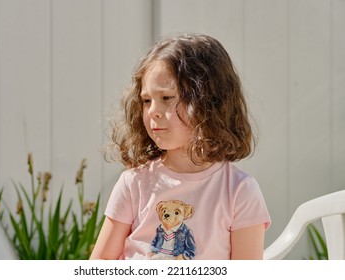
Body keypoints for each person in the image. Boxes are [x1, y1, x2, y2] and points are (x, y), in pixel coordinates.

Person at [90, 33, 271, 260]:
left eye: (166, 97)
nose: (153, 110)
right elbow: (101, 262)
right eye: (147, 100)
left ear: (208, 102)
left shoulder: (239, 190)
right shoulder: (133, 183)